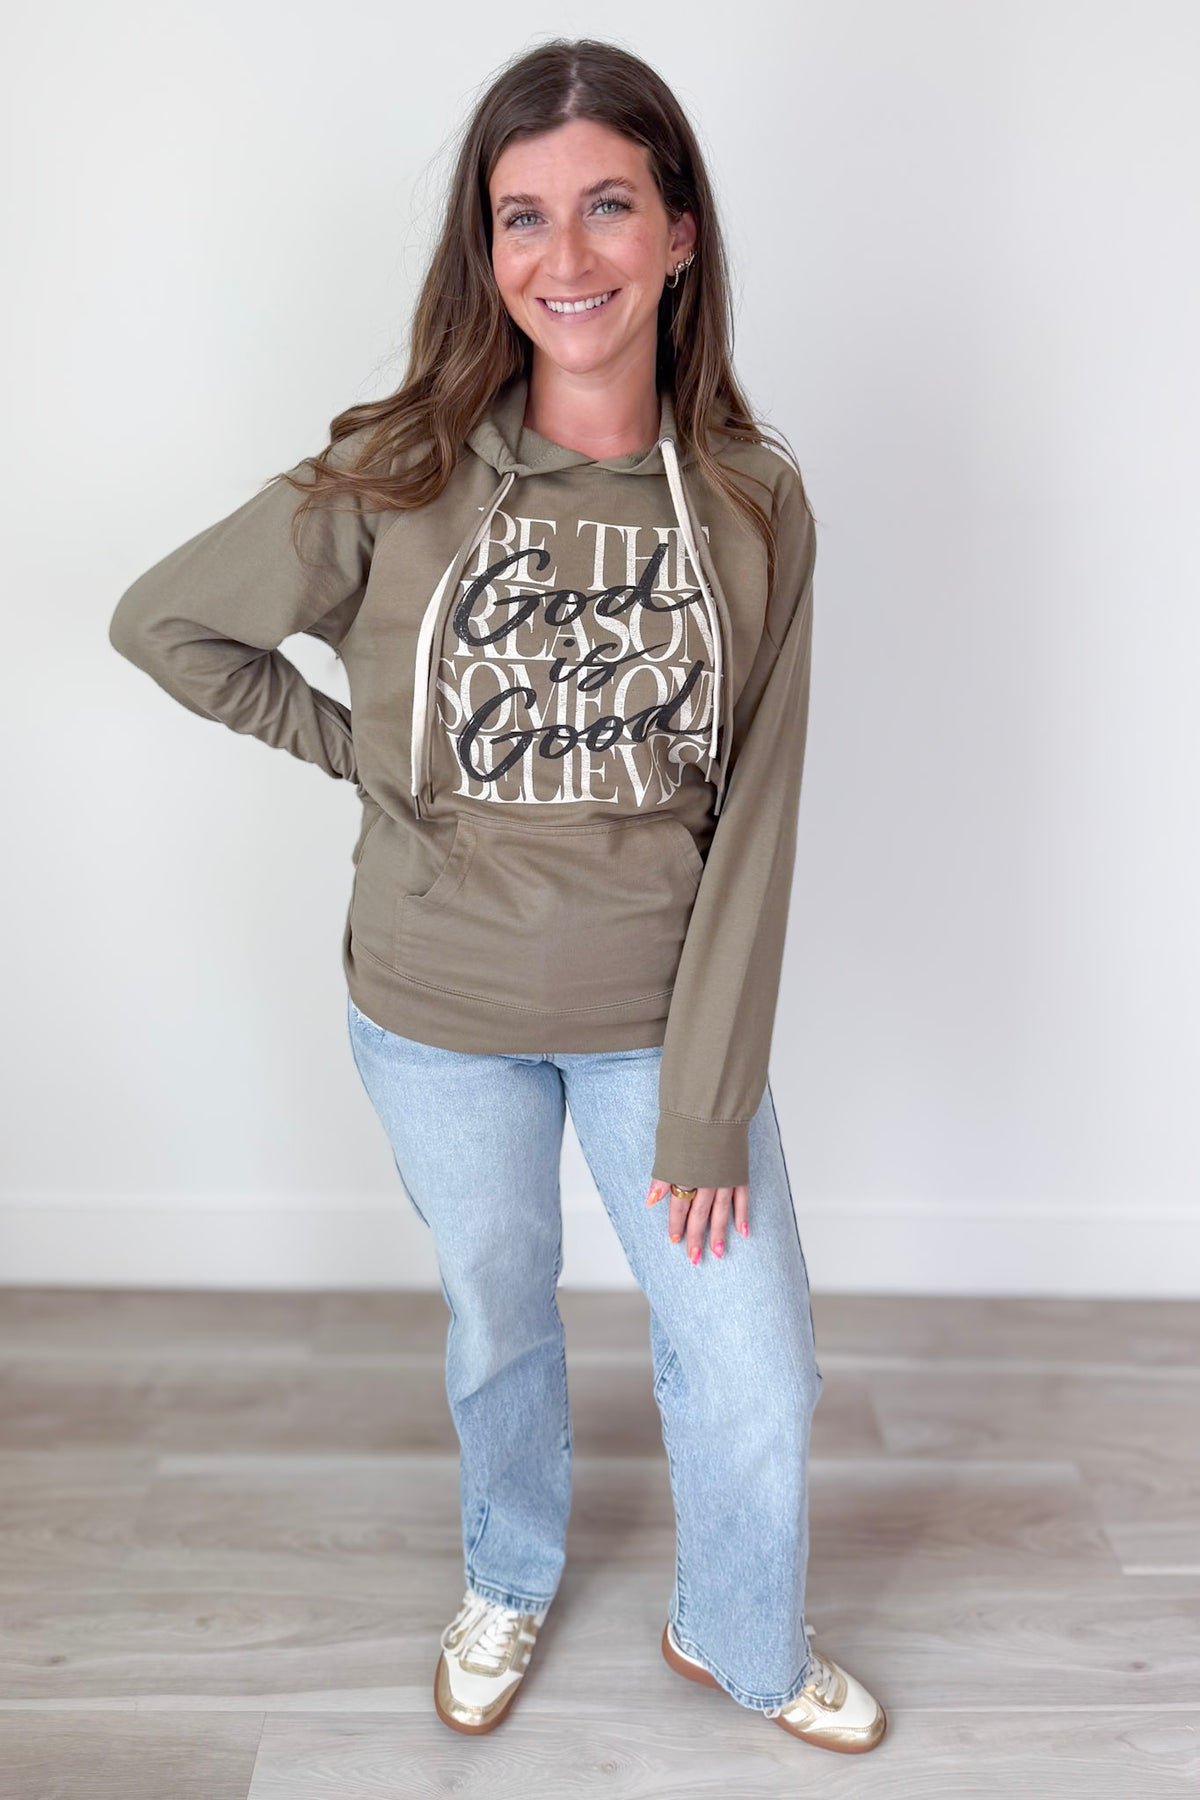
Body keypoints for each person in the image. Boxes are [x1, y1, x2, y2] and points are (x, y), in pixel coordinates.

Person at [108, 36, 886, 1756]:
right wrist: (362, 754)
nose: (566, 254)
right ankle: (509, 1572)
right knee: (497, 1321)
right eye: (522, 216)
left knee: (754, 1365)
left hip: (657, 1023)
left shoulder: (753, 501)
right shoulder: (398, 471)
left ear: (678, 231)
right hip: (433, 1014)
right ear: (486, 249)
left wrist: (707, 1101)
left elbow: (759, 816)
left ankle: (739, 1635)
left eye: (608, 205)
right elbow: (168, 622)